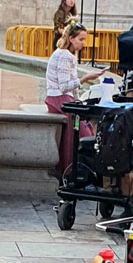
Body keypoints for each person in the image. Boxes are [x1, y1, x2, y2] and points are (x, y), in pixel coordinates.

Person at [45, 21, 102, 176]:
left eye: (84, 39)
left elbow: (71, 89)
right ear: (70, 38)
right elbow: (64, 86)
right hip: (59, 99)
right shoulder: (64, 56)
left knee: (83, 127)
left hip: (63, 99)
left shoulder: (68, 55)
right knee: (82, 133)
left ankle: (73, 171)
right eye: (81, 39)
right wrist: (86, 78)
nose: (83, 43)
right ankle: (73, 171)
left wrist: (78, 101)